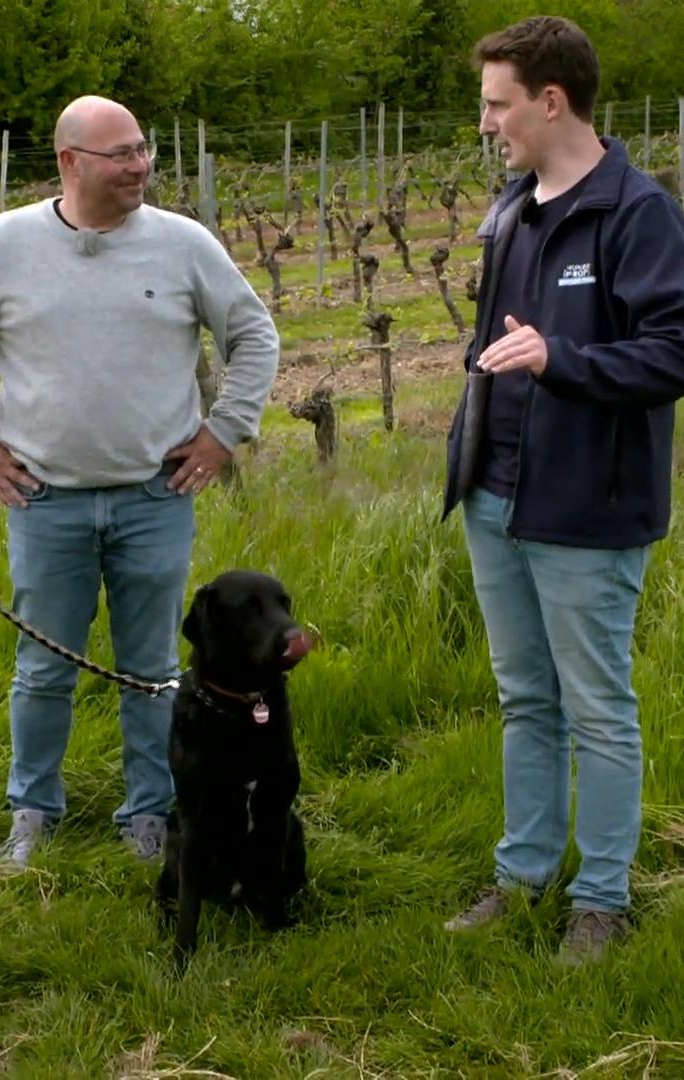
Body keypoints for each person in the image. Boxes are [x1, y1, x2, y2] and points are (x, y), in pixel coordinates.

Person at [0, 95, 280, 865]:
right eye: (120, 154)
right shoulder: (1, 246)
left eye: (143, 149)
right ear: (69, 161)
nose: (139, 165)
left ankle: (148, 815)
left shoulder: (183, 245)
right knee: (43, 667)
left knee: (150, 670)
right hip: (43, 498)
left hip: (155, 496)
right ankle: (32, 811)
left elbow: (253, 333)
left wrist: (223, 433)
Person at [441, 17, 684, 964]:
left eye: (498, 104)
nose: (487, 122)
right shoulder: (509, 209)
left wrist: (561, 358)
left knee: (596, 706)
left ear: (551, 100)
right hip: (496, 497)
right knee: (524, 699)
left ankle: (603, 898)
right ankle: (524, 876)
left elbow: (671, 350)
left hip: (587, 505)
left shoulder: (636, 213)